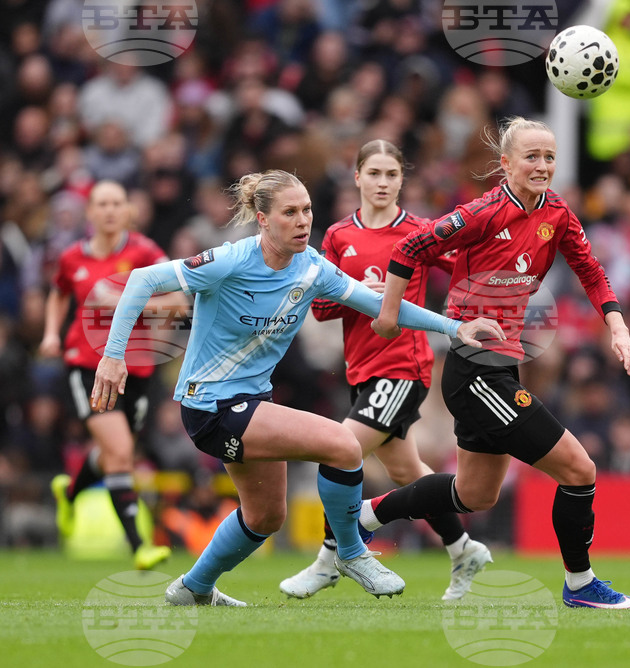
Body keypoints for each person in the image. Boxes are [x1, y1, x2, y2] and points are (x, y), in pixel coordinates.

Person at [90, 170, 503, 606]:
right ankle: (351, 552)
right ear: (263, 219)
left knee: (265, 517)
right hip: (211, 405)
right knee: (342, 445)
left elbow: (386, 309)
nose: (303, 220)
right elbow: (141, 281)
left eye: (306, 209)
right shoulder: (229, 260)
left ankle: (193, 589)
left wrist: (455, 328)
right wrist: (113, 355)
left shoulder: (312, 267)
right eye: (290, 212)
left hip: (251, 402)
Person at [364, 117, 630, 610]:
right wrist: (389, 316)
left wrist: (619, 328)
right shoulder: (482, 211)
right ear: (506, 164)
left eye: (550, 157)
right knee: (579, 469)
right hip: (475, 370)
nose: (542, 166)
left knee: (475, 494)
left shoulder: (557, 214)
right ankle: (581, 585)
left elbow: (591, 271)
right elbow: (411, 247)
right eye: (531, 157)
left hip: (499, 368)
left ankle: (363, 515)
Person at [279, 140, 492, 602]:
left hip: (403, 368)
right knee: (408, 474)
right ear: (356, 177)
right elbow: (318, 308)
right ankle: (462, 548)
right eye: (373, 173)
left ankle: (328, 561)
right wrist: (359, 292)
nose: (382, 182)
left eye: (391, 175)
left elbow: (466, 270)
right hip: (362, 370)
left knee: (338, 450)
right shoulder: (337, 235)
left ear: (402, 180)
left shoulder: (418, 231)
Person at [42, 180, 177, 570]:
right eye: (102, 204)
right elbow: (59, 292)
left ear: (127, 210)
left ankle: (69, 493)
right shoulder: (71, 258)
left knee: (115, 453)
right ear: (90, 212)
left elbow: (177, 299)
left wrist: (128, 300)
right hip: (86, 364)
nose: (110, 210)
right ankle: (140, 547)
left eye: (118, 203)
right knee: (120, 454)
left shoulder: (145, 252)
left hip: (136, 367)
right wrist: (52, 333)